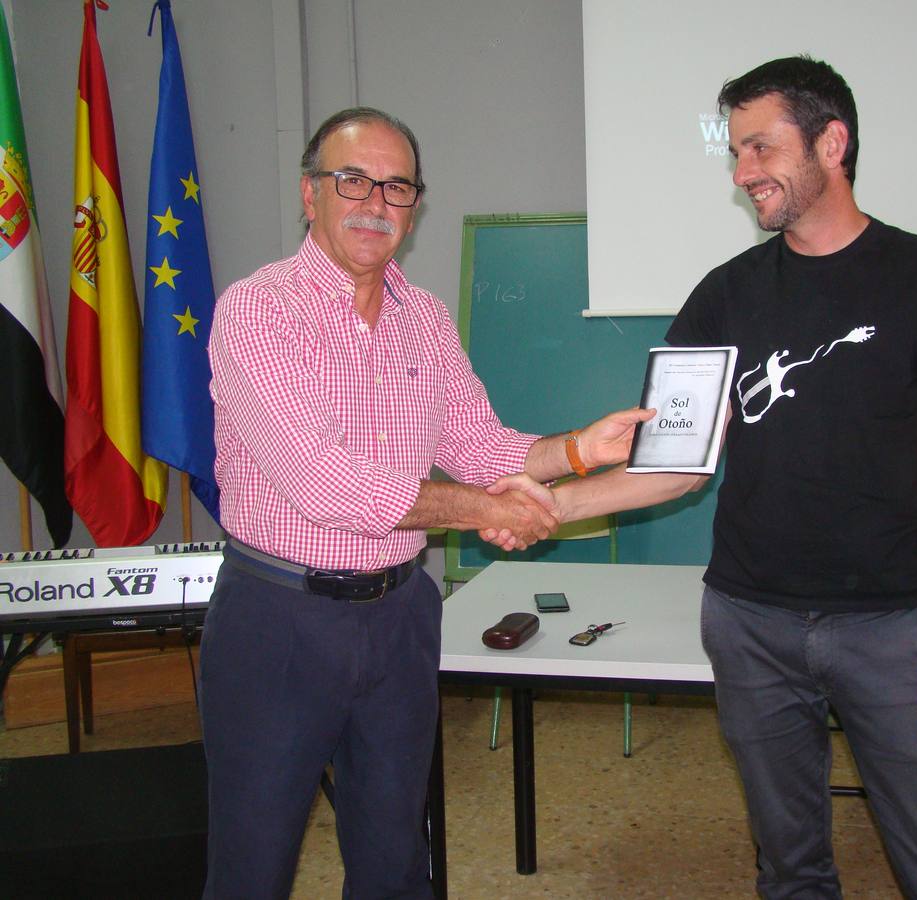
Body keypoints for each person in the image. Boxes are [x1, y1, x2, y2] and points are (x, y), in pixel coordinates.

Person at [503, 56, 917, 897]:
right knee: (789, 869)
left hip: (892, 628)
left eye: (761, 149)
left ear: (831, 142)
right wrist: (539, 505)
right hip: (750, 625)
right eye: (735, 153)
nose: (743, 175)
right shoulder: (724, 295)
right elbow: (672, 470)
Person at [202, 106, 650, 899]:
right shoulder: (259, 310)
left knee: (396, 858)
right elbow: (324, 484)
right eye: (354, 181)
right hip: (280, 624)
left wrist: (581, 448)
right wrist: (487, 510)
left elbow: (481, 446)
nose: (376, 201)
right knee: (253, 865)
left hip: (402, 617)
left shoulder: (427, 319)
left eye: (398, 186)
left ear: (414, 207)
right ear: (311, 195)